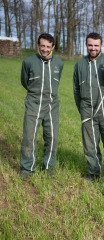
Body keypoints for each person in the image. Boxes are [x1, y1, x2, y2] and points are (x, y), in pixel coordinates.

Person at [73, 32, 104, 181]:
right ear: (86, 45)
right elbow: (76, 91)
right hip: (87, 111)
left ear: (101, 46)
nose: (93, 48)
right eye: (90, 45)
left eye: (96, 45)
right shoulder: (79, 65)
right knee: (90, 146)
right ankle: (94, 172)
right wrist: (82, 109)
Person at [20, 33, 64, 179]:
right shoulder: (28, 62)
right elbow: (25, 81)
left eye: (48, 46)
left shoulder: (59, 63)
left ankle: (48, 167)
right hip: (34, 103)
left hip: (52, 105)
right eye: (42, 46)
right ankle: (27, 169)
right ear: (38, 45)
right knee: (29, 137)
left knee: (52, 138)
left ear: (53, 46)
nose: (45, 49)